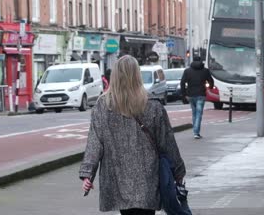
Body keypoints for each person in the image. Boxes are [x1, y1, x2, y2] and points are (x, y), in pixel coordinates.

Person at [79, 55, 186, 215]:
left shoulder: (103, 106)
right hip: (147, 178)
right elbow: (167, 143)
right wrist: (178, 172)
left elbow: (95, 142)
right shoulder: (152, 106)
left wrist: (88, 174)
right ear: (137, 75)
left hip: (118, 179)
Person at [180, 55, 214, 139]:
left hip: (191, 95)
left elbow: (182, 83)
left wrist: (184, 94)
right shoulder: (205, 71)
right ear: (201, 61)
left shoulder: (187, 71)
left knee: (194, 113)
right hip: (201, 94)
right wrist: (210, 87)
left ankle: (195, 131)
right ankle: (196, 132)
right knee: (199, 113)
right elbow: (211, 80)